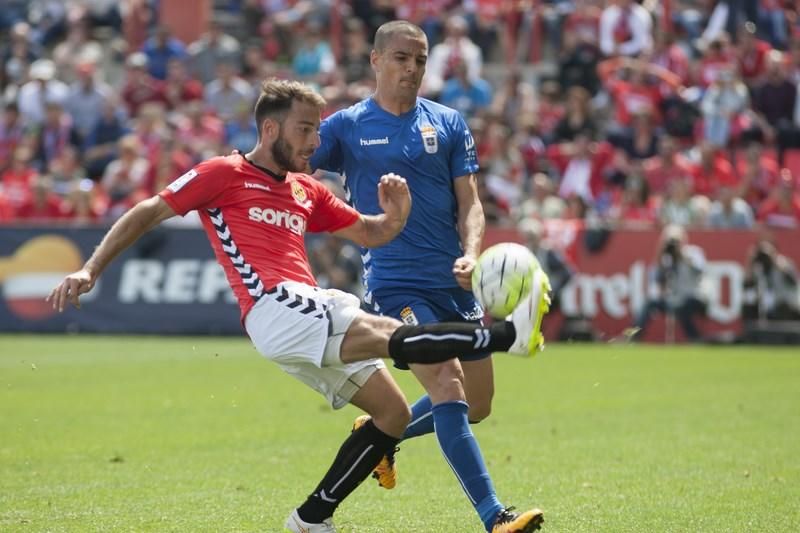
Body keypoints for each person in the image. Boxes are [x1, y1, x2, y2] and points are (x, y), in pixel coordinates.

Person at [47, 79, 547, 533]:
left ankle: (311, 518)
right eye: (305, 129)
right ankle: (506, 336)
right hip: (275, 304)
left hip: (303, 310)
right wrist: (90, 269)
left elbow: (370, 231)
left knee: (393, 414)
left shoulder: (306, 189)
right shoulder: (223, 172)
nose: (315, 141)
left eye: (317, 128)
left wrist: (398, 215)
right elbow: (149, 210)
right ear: (270, 128)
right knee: (389, 334)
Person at [310, 21, 547, 533]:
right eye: (400, 58)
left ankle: (379, 433)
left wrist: (471, 254)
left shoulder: (449, 122)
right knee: (447, 382)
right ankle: (495, 518)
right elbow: (293, 165)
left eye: (419, 60)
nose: (412, 69)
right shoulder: (347, 126)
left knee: (477, 404)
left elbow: (471, 202)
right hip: (395, 285)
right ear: (375, 60)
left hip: (453, 283)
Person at [633, 225, 708, 342]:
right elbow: (656, 280)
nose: (673, 245)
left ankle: (694, 338)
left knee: (684, 308)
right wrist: (659, 257)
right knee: (650, 303)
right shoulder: (666, 258)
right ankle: (635, 337)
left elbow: (700, 270)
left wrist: (682, 255)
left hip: (693, 296)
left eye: (676, 241)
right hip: (673, 298)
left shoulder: (693, 252)